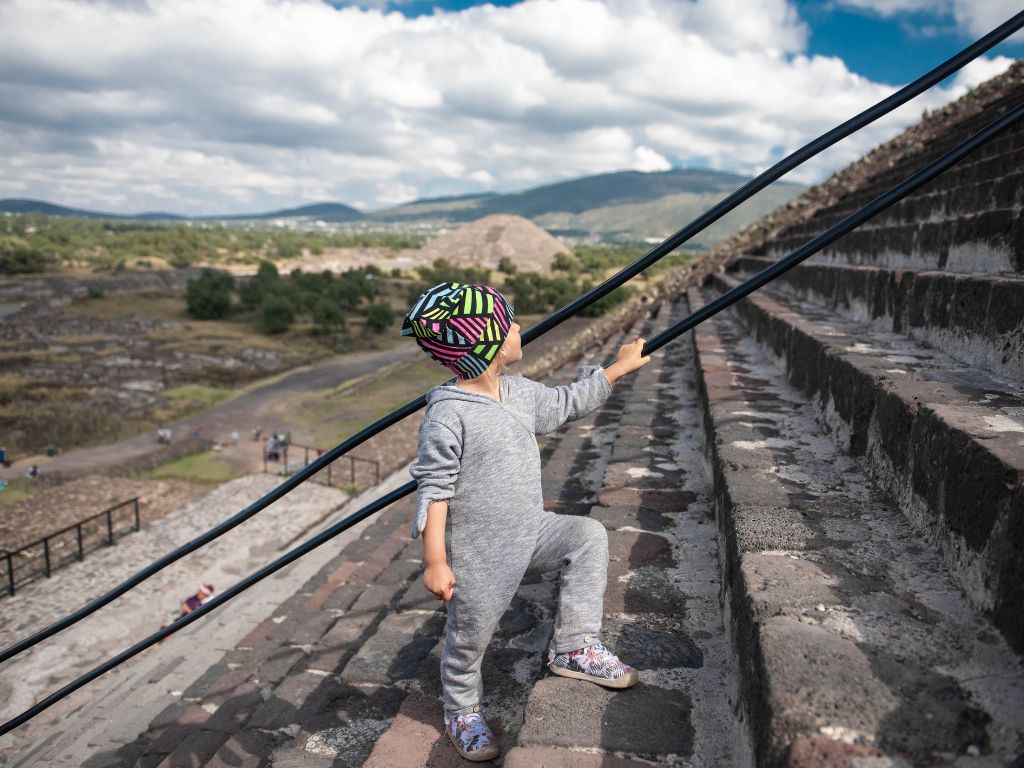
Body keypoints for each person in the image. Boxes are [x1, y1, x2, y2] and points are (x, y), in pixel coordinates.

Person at [404, 281, 650, 762]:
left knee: (587, 535)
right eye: (509, 322)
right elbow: (434, 490)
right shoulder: (448, 415)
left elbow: (566, 402)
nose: (519, 328)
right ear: (485, 341)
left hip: (531, 531)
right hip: (479, 557)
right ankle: (462, 710)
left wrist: (618, 368)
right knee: (468, 639)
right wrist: (435, 559)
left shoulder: (518, 393)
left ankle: (574, 645)